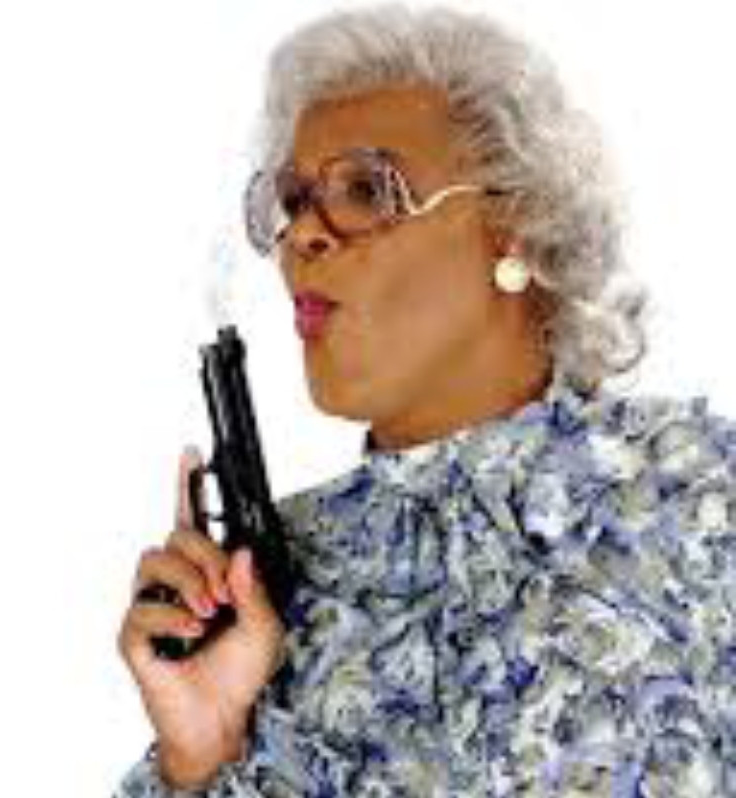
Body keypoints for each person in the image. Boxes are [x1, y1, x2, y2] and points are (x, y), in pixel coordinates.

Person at [114, 4, 736, 794]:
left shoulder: (700, 502)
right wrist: (201, 756)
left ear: (514, 223)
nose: (302, 235)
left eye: (364, 189)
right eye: (294, 200)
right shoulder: (258, 594)